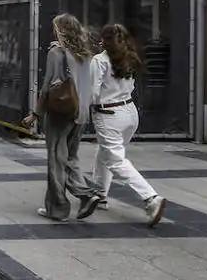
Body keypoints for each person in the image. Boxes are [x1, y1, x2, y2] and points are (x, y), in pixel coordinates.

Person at [83, 24, 167, 226]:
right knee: (106, 153)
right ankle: (100, 195)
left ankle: (151, 198)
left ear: (104, 41)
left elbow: (93, 94)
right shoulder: (129, 56)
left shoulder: (99, 60)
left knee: (116, 160)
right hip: (129, 112)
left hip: (108, 113)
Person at [26, 14, 98, 222]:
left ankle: (59, 208)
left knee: (56, 160)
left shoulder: (56, 53)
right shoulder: (86, 53)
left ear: (61, 30)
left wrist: (36, 113)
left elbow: (48, 86)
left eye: (55, 27)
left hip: (62, 112)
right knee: (70, 157)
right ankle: (84, 196)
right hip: (82, 112)